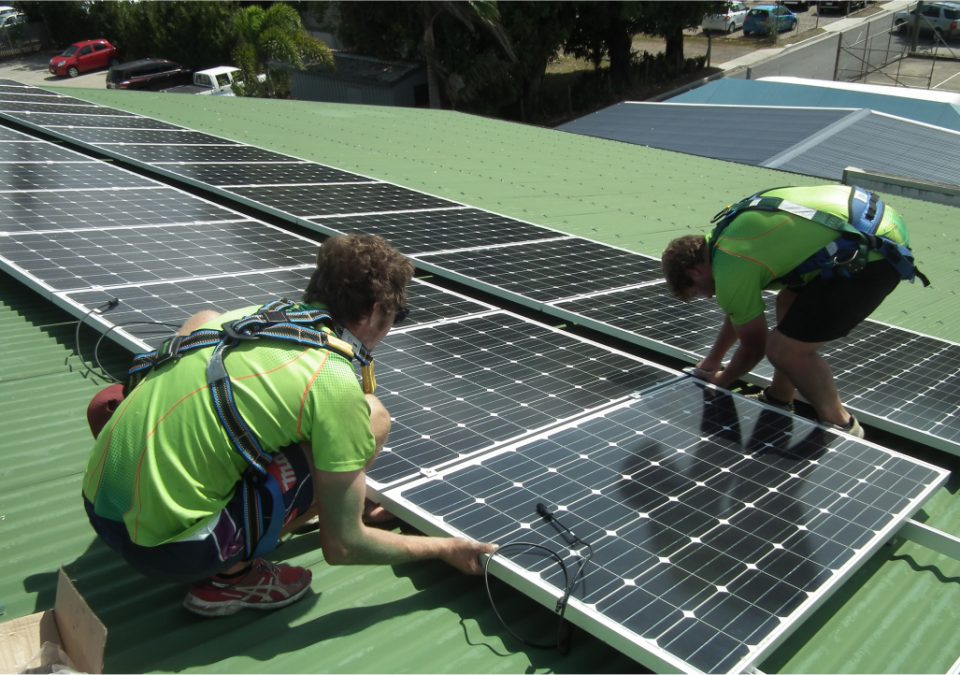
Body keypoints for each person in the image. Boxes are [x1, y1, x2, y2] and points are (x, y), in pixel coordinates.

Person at [82, 233, 496, 617]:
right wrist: (445, 547)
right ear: (373, 313)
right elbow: (344, 546)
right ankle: (231, 579)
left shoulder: (255, 316)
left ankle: (286, 501)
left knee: (206, 322)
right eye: (397, 315)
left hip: (97, 503)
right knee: (373, 418)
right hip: (165, 552)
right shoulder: (330, 381)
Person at [661, 185, 926, 439]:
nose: (707, 295)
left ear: (695, 271)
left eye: (696, 290)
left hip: (874, 255)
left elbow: (754, 346)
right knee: (787, 299)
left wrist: (722, 379)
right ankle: (779, 397)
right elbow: (739, 313)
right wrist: (711, 363)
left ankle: (841, 423)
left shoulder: (731, 266)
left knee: (784, 349)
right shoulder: (727, 238)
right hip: (868, 225)